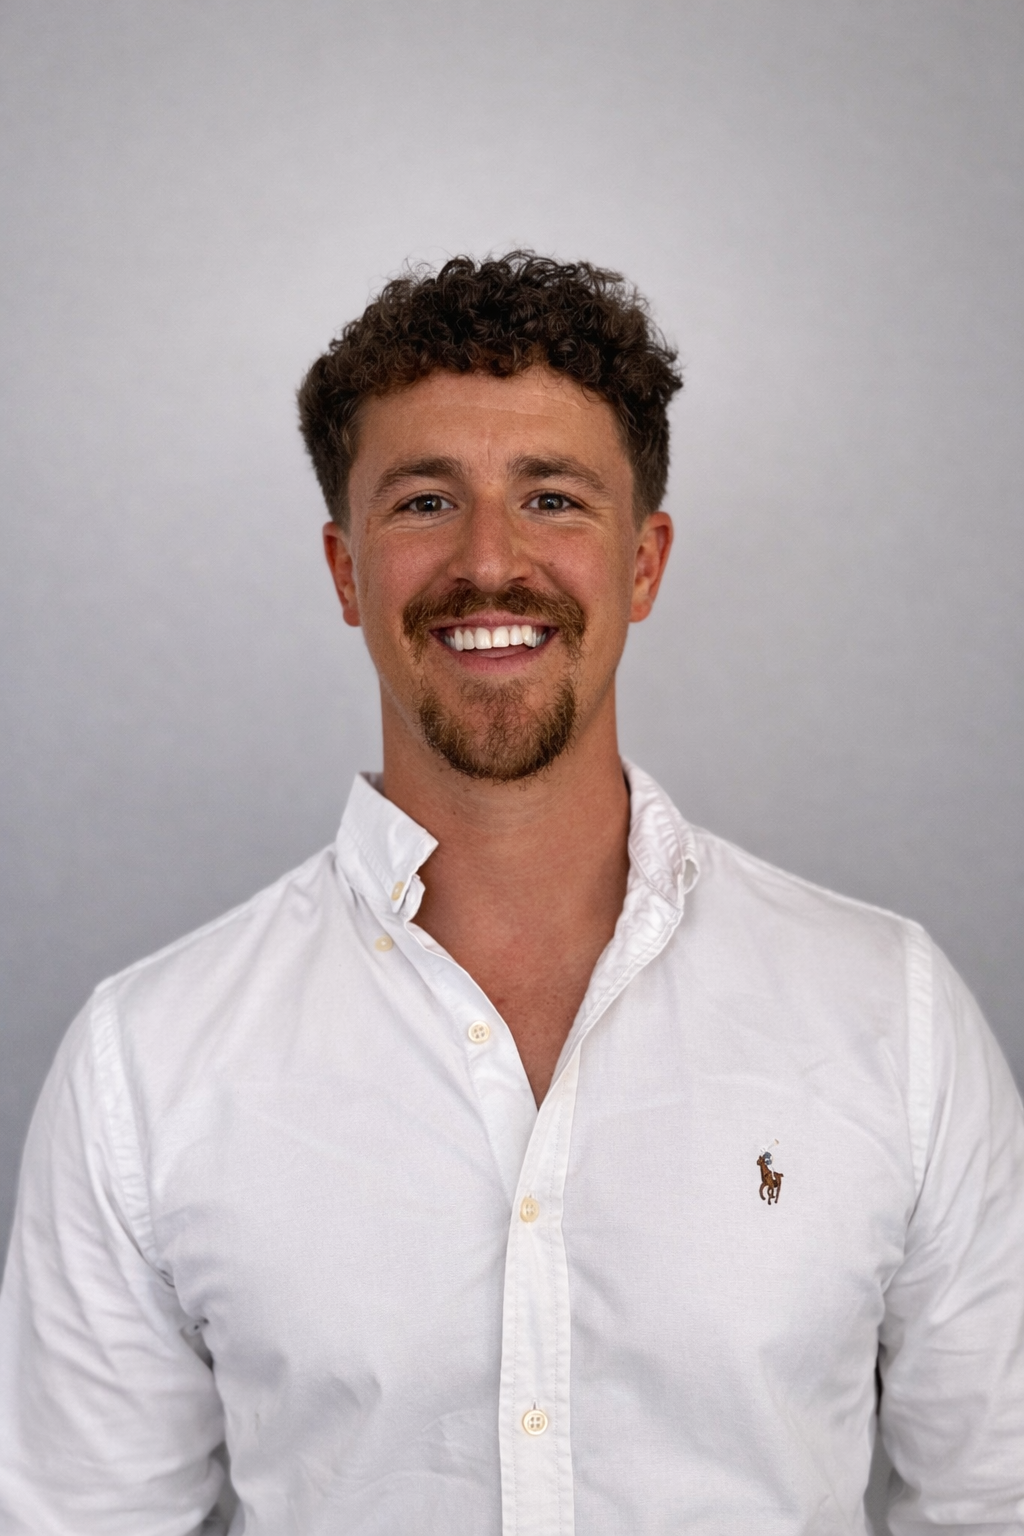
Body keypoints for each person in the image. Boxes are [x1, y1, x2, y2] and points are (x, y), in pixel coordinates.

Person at [0, 253, 1021, 1535]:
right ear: (343, 569)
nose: (491, 561)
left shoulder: (894, 1017)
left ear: (642, 564)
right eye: (425, 501)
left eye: (551, 497)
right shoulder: (143, 1068)